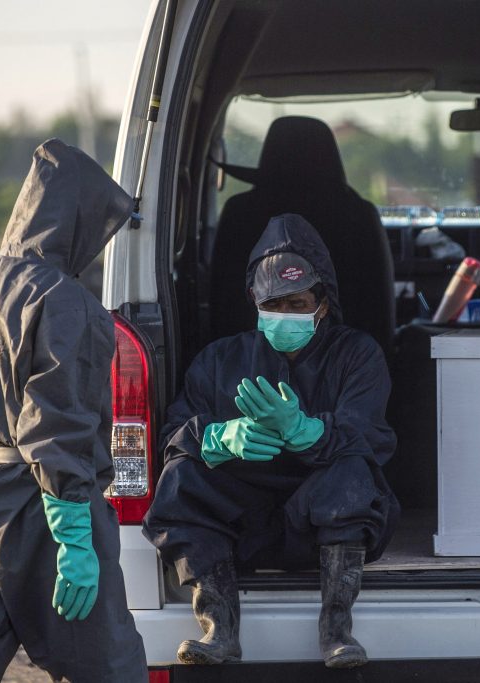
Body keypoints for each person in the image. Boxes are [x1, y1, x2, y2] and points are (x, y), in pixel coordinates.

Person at [143, 213, 398, 669]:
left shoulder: (357, 354)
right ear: (253, 301)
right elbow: (171, 437)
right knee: (180, 475)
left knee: (354, 472)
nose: (286, 315)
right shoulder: (219, 360)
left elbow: (368, 438)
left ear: (322, 303)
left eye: (298, 304)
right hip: (239, 527)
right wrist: (218, 438)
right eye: (273, 305)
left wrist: (306, 431)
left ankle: (336, 629)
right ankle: (219, 628)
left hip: (322, 522)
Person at [0, 140, 148, 682]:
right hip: (39, 506)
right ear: (77, 222)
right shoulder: (64, 300)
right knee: (105, 664)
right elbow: (57, 421)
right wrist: (72, 533)